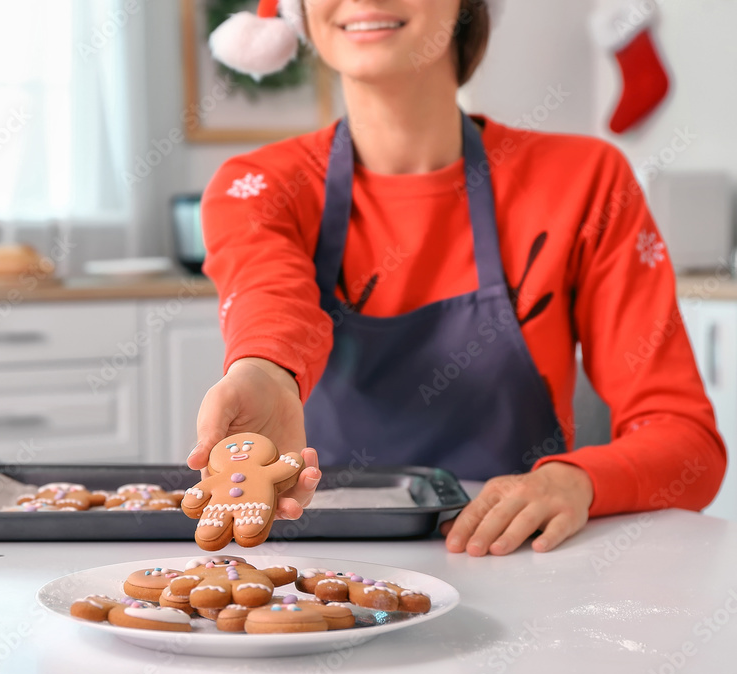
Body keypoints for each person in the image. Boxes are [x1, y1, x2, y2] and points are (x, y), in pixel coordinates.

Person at [186, 0, 726, 556]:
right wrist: (266, 373)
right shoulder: (256, 187)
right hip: (320, 575)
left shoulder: (586, 182)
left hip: (520, 563)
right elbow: (273, 298)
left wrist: (577, 481)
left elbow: (687, 444)